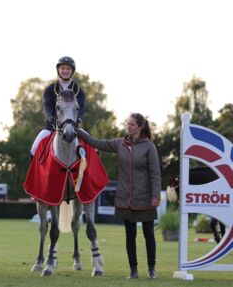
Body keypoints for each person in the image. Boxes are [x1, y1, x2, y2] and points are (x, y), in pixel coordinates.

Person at [77, 113, 161, 279]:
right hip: (125, 198)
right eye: (127, 123)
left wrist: (156, 195)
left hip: (145, 197)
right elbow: (98, 143)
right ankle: (133, 271)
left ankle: (151, 269)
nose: (128, 126)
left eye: (131, 124)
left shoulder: (149, 147)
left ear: (139, 127)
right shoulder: (119, 143)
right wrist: (79, 132)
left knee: (149, 235)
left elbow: (155, 174)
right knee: (130, 236)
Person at [30, 56, 86, 158]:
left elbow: (81, 107)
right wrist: (49, 116)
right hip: (51, 127)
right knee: (34, 148)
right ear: (58, 70)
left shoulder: (79, 91)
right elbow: (46, 105)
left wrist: (79, 118)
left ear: (72, 71)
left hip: (72, 126)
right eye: (63, 68)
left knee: (94, 148)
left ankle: (90, 173)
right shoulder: (50, 89)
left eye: (68, 69)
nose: (65, 71)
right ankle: (34, 173)